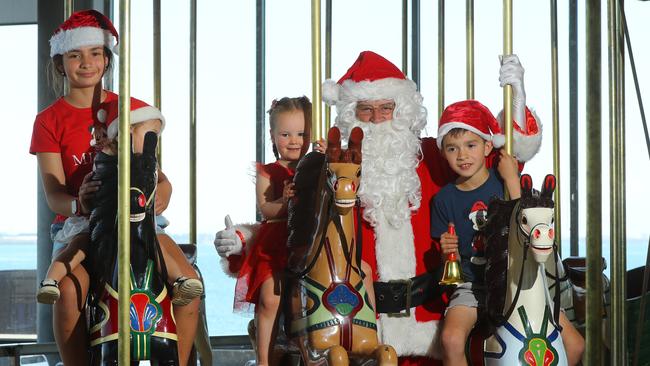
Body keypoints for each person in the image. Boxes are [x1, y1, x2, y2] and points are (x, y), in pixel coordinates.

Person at [215, 51, 542, 365]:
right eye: (364, 110)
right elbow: (297, 222)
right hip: (360, 330)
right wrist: (244, 236)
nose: (377, 119)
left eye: (386, 108)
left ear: (403, 110)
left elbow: (500, 163)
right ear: (349, 115)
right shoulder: (337, 166)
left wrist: (517, 102)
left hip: (431, 325)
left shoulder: (433, 155)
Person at [29, 10, 201, 366]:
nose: (86, 62)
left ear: (107, 59)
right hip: (82, 225)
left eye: (95, 53)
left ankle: (181, 359)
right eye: (75, 54)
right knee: (68, 290)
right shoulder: (49, 121)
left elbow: (157, 175)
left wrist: (158, 198)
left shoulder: (131, 110)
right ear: (61, 62)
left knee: (188, 286)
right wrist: (80, 202)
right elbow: (53, 195)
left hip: (136, 218)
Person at [226, 97, 325, 366]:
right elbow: (266, 210)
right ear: (272, 135)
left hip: (308, 242)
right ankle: (263, 359)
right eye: (286, 134)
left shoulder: (318, 168)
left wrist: (328, 159)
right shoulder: (268, 173)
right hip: (277, 242)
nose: (294, 141)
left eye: (302, 134)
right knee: (270, 298)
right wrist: (284, 201)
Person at [430, 100, 522, 365]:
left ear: (487, 146)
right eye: (452, 148)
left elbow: (521, 223)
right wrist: (449, 251)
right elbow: (449, 265)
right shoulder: (444, 200)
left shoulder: (502, 182)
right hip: (471, 285)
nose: (462, 156)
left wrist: (512, 179)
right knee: (451, 339)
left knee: (574, 344)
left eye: (470, 146)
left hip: (510, 281)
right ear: (443, 153)